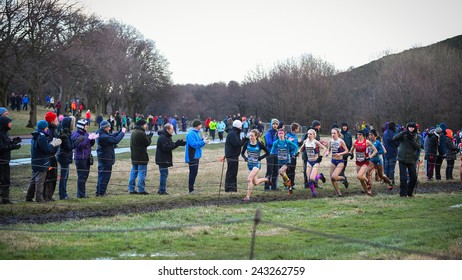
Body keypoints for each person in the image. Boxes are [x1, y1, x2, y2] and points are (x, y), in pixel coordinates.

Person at [26, 120, 61, 202]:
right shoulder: (41, 137)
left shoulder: (36, 134)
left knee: (34, 180)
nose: (47, 129)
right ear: (44, 127)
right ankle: (39, 198)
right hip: (42, 162)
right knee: (40, 181)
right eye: (46, 127)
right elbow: (46, 150)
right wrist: (53, 144)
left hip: (36, 161)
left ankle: (29, 196)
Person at [56, 116, 85, 200]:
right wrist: (78, 141)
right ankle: (62, 195)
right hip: (63, 157)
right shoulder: (64, 134)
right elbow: (69, 147)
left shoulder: (67, 133)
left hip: (65, 157)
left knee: (65, 176)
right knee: (63, 176)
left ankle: (64, 193)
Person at [96, 120, 126, 197]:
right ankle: (102, 193)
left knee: (101, 175)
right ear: (105, 128)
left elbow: (111, 136)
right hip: (106, 159)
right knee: (105, 176)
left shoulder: (101, 133)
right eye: (108, 127)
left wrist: (120, 131)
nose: (110, 128)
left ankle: (99, 191)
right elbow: (115, 140)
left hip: (104, 158)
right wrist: (122, 133)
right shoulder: (103, 137)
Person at [241, 129, 271, 201]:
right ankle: (267, 179)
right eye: (250, 136)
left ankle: (247, 197)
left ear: (256, 136)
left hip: (257, 165)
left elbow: (268, 152)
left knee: (249, 179)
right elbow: (242, 153)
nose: (250, 137)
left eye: (252, 136)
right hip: (250, 164)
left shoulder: (259, 144)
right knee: (256, 182)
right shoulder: (247, 143)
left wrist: (260, 158)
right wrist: (245, 158)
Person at [155, 123, 186, 195]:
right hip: (162, 159)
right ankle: (162, 190)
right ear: (167, 129)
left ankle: (161, 189)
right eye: (171, 129)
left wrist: (181, 143)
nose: (173, 130)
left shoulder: (167, 136)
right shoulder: (163, 137)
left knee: (164, 174)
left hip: (164, 159)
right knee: (164, 174)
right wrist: (176, 144)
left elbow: (171, 144)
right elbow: (167, 148)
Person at [392, 122, 421, 197]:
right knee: (403, 178)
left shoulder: (417, 137)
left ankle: (409, 192)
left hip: (411, 159)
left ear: (415, 128)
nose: (411, 129)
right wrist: (403, 132)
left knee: (414, 178)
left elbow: (418, 147)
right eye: (409, 127)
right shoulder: (403, 135)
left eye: (412, 127)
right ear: (407, 128)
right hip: (402, 158)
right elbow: (394, 138)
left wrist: (412, 139)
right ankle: (403, 194)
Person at [72, 119, 98, 198]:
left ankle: (82, 193)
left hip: (86, 157)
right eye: (86, 125)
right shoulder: (76, 135)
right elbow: (80, 145)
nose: (87, 126)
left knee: (85, 175)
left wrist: (92, 139)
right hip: (80, 158)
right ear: (81, 126)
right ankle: (80, 194)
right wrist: (88, 139)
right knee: (82, 176)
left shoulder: (85, 133)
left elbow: (88, 144)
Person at [299, 128, 329, 197]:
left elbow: (325, 148)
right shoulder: (305, 141)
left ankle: (320, 176)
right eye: (308, 134)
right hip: (309, 161)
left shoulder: (315, 142)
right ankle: (313, 193)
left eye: (310, 134)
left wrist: (320, 156)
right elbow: (301, 148)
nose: (309, 135)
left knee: (312, 178)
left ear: (314, 135)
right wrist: (297, 153)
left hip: (316, 161)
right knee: (308, 179)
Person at [127, 119, 153, 195]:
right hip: (141, 156)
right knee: (142, 173)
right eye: (145, 124)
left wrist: (147, 137)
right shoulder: (141, 133)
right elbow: (147, 143)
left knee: (133, 173)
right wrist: (149, 137)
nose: (146, 126)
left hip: (134, 156)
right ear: (142, 125)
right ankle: (141, 189)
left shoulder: (134, 132)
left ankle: (131, 189)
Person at [349, 130, 377, 196]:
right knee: (360, 179)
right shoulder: (355, 142)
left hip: (365, 162)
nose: (358, 135)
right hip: (358, 162)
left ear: (363, 135)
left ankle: (368, 182)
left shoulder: (367, 142)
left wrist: (370, 157)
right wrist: (350, 154)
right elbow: (351, 151)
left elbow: (375, 151)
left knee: (359, 176)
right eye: (357, 134)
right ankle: (367, 192)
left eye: (360, 134)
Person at [270, 129, 299, 195]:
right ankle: (289, 187)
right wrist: (272, 154)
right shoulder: (276, 143)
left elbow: (296, 146)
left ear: (284, 134)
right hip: (280, 161)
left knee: (281, 171)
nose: (280, 135)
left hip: (287, 161)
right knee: (283, 174)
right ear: (277, 135)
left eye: (282, 133)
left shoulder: (287, 142)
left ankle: (289, 185)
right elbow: (271, 151)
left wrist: (294, 153)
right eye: (279, 133)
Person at [0, 117, 21, 204]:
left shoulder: (5, 133)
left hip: (5, 161)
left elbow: (6, 144)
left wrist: (13, 142)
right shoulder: (0, 134)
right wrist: (12, 147)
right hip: (1, 161)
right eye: (9, 122)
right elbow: (1, 148)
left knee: (6, 180)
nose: (11, 124)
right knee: (1, 180)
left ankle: (5, 199)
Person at [185, 119, 209, 194]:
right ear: (197, 125)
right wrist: (203, 142)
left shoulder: (196, 133)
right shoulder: (191, 134)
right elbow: (194, 144)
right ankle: (191, 190)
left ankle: (192, 189)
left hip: (196, 156)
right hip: (192, 157)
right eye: (200, 125)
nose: (201, 126)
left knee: (194, 173)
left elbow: (198, 142)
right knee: (192, 173)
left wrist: (203, 140)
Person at [325, 128, 349, 196]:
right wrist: (327, 153)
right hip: (333, 161)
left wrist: (340, 154)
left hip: (340, 161)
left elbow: (347, 151)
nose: (333, 135)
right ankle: (339, 193)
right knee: (332, 178)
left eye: (334, 133)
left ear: (338, 134)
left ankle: (343, 178)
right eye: (332, 133)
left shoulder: (341, 141)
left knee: (334, 177)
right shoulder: (330, 141)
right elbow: (328, 150)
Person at [224, 120, 246, 192]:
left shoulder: (234, 133)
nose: (241, 127)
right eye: (240, 126)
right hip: (231, 156)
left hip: (233, 155)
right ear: (238, 126)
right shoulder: (233, 133)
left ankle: (233, 188)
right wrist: (243, 141)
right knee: (231, 172)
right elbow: (236, 144)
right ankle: (229, 188)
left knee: (234, 172)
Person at [43, 112, 60, 201]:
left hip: (53, 156)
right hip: (49, 157)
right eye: (56, 119)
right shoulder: (49, 131)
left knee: (53, 177)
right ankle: (46, 196)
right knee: (49, 176)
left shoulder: (54, 130)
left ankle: (50, 195)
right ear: (52, 121)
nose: (57, 121)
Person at [264, 118, 280, 190]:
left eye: (276, 124)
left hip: (276, 154)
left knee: (276, 171)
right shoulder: (268, 133)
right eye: (274, 124)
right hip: (270, 154)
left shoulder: (278, 133)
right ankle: (266, 186)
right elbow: (269, 143)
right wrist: (277, 141)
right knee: (269, 171)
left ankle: (274, 186)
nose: (275, 125)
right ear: (271, 125)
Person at [286, 123, 301, 189]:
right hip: (289, 156)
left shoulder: (295, 136)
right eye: (298, 128)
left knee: (293, 170)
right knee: (288, 170)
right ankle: (287, 185)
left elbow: (297, 144)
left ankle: (292, 184)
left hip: (294, 156)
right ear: (295, 129)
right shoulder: (288, 136)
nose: (298, 130)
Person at [339, 122, 353, 187]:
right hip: (340, 152)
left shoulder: (349, 134)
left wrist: (350, 152)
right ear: (342, 127)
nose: (344, 127)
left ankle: (342, 177)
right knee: (340, 166)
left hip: (346, 152)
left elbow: (350, 143)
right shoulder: (339, 134)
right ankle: (343, 179)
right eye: (343, 126)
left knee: (344, 166)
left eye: (346, 126)